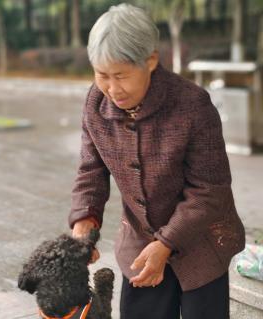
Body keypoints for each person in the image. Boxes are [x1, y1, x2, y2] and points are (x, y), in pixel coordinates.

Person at [69, 4, 245, 319]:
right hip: (138, 241)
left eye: (121, 75)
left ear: (150, 60)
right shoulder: (95, 104)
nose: (111, 89)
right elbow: (90, 170)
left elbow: (210, 190)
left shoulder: (192, 106)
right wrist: (84, 223)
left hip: (202, 242)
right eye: (102, 75)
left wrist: (166, 243)